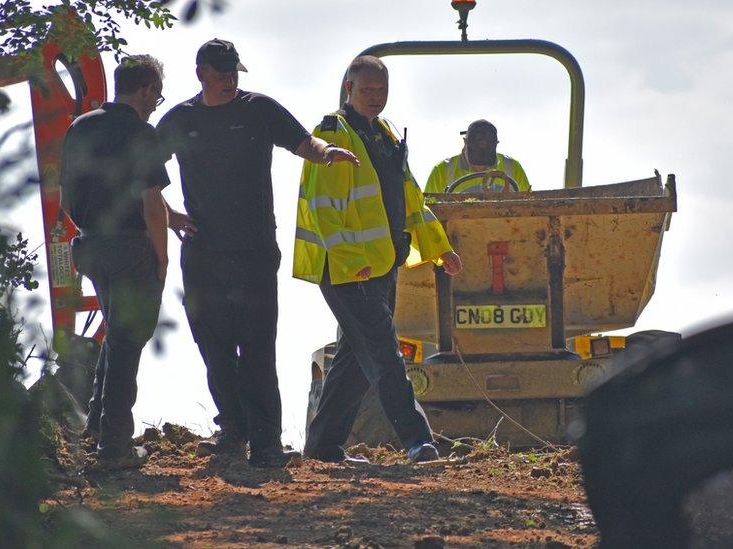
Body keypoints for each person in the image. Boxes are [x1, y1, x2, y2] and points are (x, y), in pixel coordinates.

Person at [156, 39, 358, 468]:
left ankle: (266, 441)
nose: (230, 80)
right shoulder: (179, 119)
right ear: (201, 73)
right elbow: (140, 174)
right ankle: (233, 430)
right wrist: (169, 214)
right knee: (214, 347)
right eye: (222, 72)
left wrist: (326, 154)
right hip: (203, 253)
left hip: (255, 253)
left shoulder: (259, 109)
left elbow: (304, 143)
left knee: (258, 348)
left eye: (234, 72)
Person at [294, 56, 463, 464]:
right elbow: (323, 207)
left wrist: (440, 247)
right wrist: (353, 260)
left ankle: (322, 447)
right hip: (349, 270)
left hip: (382, 265)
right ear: (348, 88)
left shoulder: (384, 133)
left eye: (382, 90)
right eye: (368, 90)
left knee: (355, 359)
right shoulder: (333, 134)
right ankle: (417, 439)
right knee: (386, 352)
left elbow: (411, 199)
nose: (376, 97)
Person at [59, 55, 170, 471]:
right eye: (157, 94)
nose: (157, 102)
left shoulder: (80, 126)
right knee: (128, 343)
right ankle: (115, 449)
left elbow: (67, 196)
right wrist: (161, 256)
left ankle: (96, 428)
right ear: (145, 90)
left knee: (116, 334)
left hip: (90, 245)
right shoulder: (140, 132)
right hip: (131, 250)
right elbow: (150, 203)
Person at [424, 119, 531, 193]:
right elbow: (428, 212)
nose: (480, 168)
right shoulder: (442, 171)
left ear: (496, 144)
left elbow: (530, 207)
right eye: (475, 153)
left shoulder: (513, 168)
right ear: (465, 142)